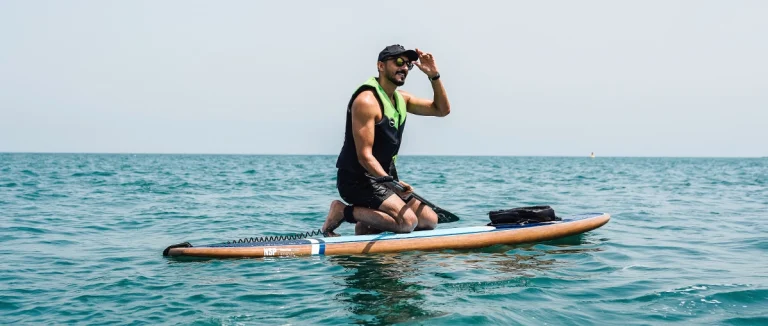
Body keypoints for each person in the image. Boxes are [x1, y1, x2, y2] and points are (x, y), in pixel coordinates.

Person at [321, 44, 451, 236]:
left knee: (429, 220)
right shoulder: (367, 101)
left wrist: (434, 75)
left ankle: (367, 226)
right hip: (357, 180)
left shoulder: (402, 99)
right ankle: (342, 211)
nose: (404, 67)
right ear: (380, 66)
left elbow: (442, 110)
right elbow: (365, 157)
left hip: (383, 178)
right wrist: (393, 185)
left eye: (408, 64)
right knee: (407, 223)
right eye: (398, 62)